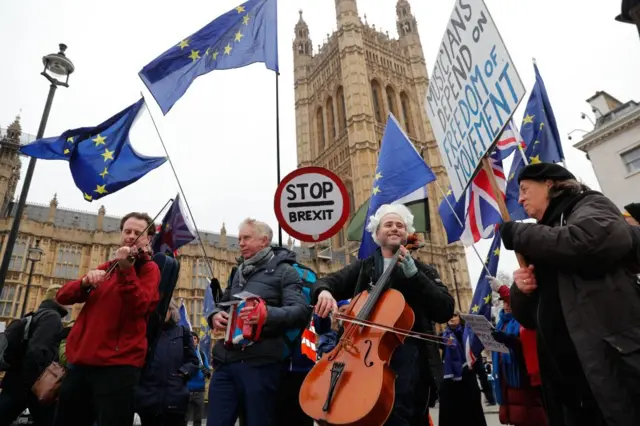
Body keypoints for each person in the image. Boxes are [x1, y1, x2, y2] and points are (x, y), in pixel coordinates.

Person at [501, 162, 640, 426]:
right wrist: (522, 291)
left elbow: (591, 242)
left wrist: (519, 233)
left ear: (549, 185)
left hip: (608, 364)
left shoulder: (589, 205)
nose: (519, 199)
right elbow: (529, 319)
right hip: (566, 380)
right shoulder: (544, 236)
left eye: (524, 189)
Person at [313, 204, 455, 426]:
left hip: (409, 363)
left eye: (400, 225)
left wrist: (415, 277)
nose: (394, 228)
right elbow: (327, 281)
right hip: (360, 359)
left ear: (407, 233)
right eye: (388, 224)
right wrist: (324, 292)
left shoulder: (424, 270)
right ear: (377, 234)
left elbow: (445, 309)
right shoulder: (364, 268)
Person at [54, 212, 161, 426]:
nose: (131, 236)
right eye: (127, 231)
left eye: (138, 233)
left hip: (117, 367)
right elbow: (62, 296)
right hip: (81, 364)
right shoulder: (107, 267)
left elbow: (138, 306)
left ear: (149, 238)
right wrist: (85, 282)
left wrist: (127, 270)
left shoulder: (149, 269)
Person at [207, 218, 311, 426]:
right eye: (239, 238)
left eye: (246, 238)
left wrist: (267, 314)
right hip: (226, 361)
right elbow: (223, 304)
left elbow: (300, 311)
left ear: (264, 241)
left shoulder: (285, 272)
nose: (241, 243)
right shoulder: (238, 273)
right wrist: (215, 316)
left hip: (260, 364)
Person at [0, 285, 67, 426]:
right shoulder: (52, 317)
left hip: (15, 381)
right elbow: (37, 351)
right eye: (65, 297)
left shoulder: (36, 314)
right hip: (31, 385)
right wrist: (41, 383)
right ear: (56, 298)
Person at [489, 279, 547, 426]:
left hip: (523, 382)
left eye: (510, 301)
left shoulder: (524, 320)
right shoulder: (501, 323)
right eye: (505, 302)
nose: (507, 305)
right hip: (506, 382)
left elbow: (522, 346)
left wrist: (508, 340)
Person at [135, 299, 199, 425]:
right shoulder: (147, 333)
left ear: (172, 311)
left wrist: (182, 374)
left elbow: (193, 361)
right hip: (149, 398)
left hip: (174, 398)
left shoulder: (183, 332)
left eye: (165, 309)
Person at [438, 313, 487, 426]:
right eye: (449, 315)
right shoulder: (442, 337)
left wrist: (485, 385)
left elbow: (477, 360)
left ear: (460, 318)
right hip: (450, 386)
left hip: (468, 382)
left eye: (455, 315)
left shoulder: (469, 337)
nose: (451, 317)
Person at [186, 332, 211, 426]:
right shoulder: (184, 354)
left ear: (198, 341)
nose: (193, 340)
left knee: (198, 419)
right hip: (186, 390)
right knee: (184, 418)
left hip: (199, 390)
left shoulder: (202, 354)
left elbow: (207, 370)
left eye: (195, 338)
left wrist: (206, 372)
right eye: (191, 338)